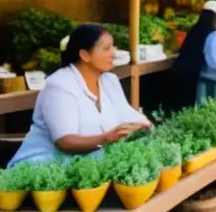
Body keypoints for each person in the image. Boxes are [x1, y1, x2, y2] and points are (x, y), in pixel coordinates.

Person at [10, 24, 150, 166]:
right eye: (106, 48)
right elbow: (64, 142)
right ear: (85, 55)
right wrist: (105, 139)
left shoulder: (110, 81)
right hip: (43, 170)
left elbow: (131, 117)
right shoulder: (60, 84)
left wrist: (142, 127)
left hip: (89, 171)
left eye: (113, 47)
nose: (114, 53)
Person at [171, 1, 216, 111]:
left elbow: (183, 49)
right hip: (195, 72)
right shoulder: (212, 32)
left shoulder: (194, 29)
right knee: (189, 105)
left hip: (179, 68)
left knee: (178, 104)